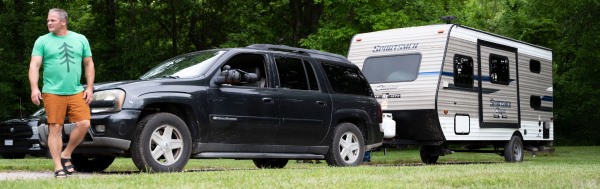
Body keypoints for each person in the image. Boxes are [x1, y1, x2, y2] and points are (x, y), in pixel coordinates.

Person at [28, 8, 95, 178]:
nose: (48, 23)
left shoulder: (80, 39)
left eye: (52, 20)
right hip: (52, 91)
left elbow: (89, 64)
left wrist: (89, 87)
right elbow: (34, 66)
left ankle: (66, 154)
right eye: (48, 20)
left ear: (63, 22)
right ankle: (58, 166)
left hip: (76, 90)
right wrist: (34, 88)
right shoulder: (42, 41)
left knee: (84, 124)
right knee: (55, 128)